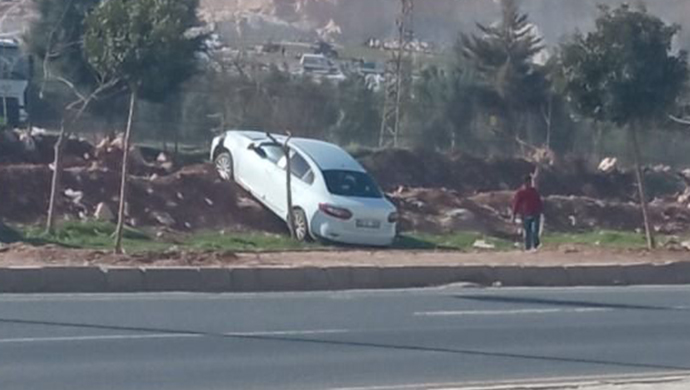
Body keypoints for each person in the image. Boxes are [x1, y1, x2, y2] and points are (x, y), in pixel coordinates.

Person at [512, 174, 544, 251]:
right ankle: (528, 247)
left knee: (535, 231)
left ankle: (535, 245)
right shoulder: (521, 192)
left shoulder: (534, 191)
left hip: (536, 213)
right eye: (529, 182)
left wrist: (541, 210)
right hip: (526, 214)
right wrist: (514, 214)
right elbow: (516, 203)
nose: (530, 184)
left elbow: (539, 201)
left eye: (530, 182)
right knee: (527, 232)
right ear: (525, 182)